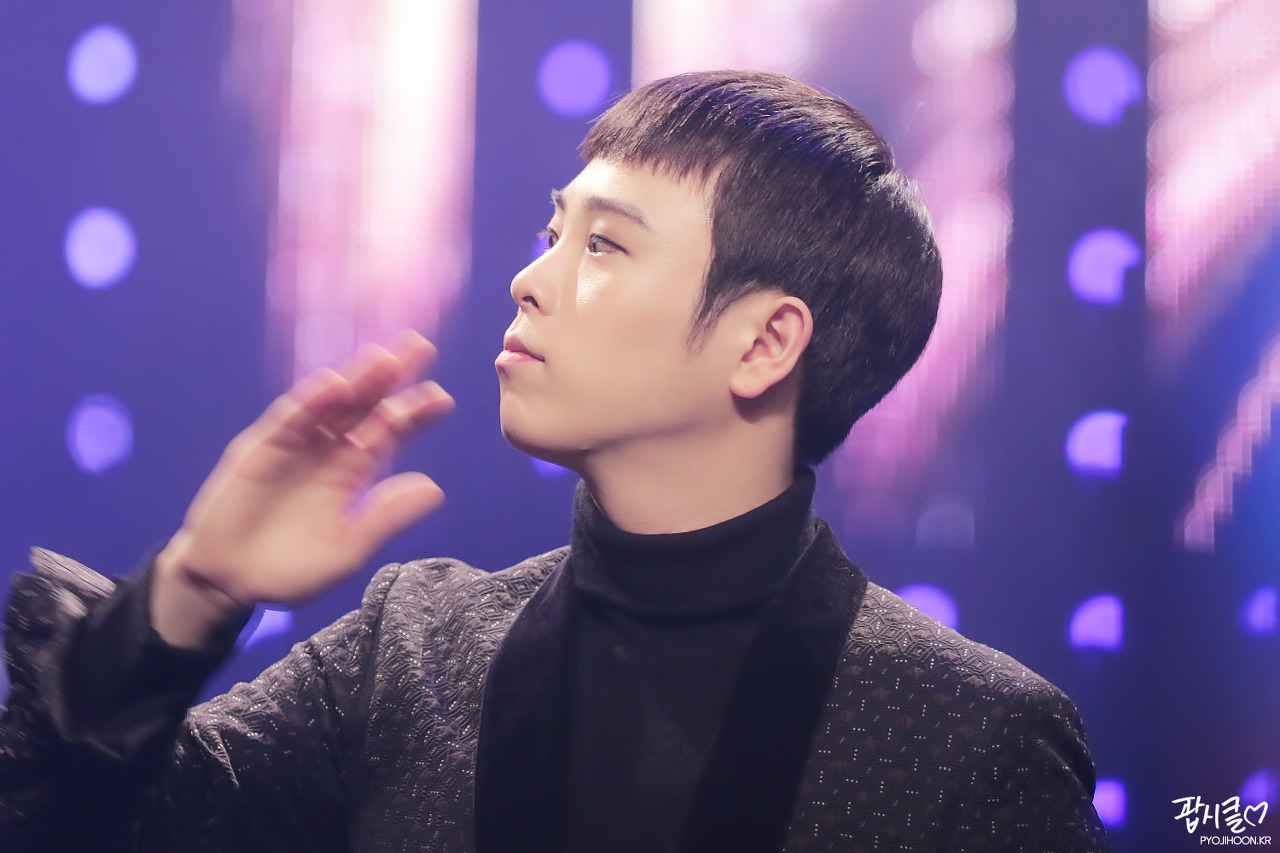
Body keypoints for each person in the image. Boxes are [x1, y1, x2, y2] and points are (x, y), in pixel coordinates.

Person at [0, 70, 1109, 851]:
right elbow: (76, 827)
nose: (529, 278)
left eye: (604, 243)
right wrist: (193, 590)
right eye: (552, 232)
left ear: (765, 343)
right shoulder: (413, 651)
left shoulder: (969, 735)